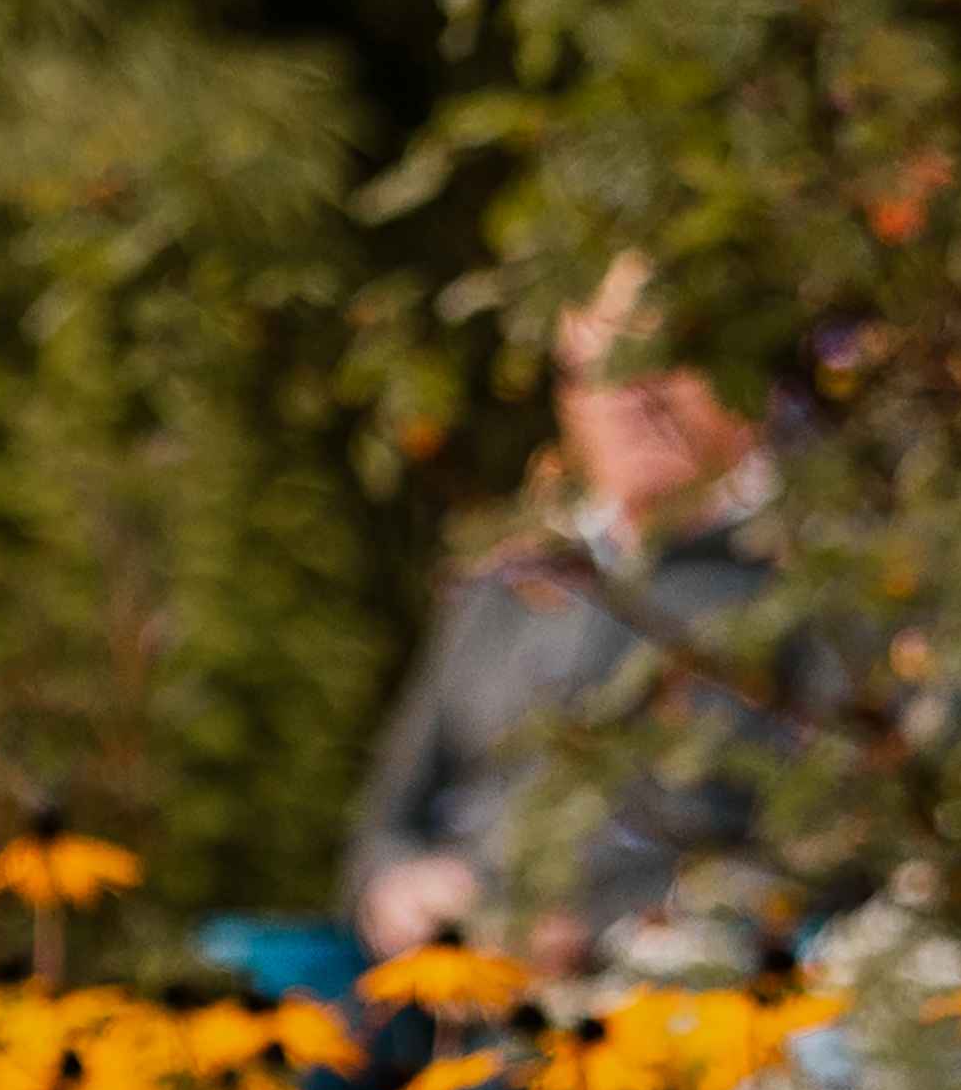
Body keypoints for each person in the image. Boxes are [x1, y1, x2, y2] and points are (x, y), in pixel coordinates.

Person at [341, 255, 822, 976]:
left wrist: (600, 924)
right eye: (594, 370)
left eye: (660, 360)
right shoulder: (508, 587)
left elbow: (839, 849)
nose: (630, 395)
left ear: (742, 388)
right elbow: (385, 821)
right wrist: (396, 884)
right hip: (441, 985)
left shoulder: (807, 582)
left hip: (669, 993)